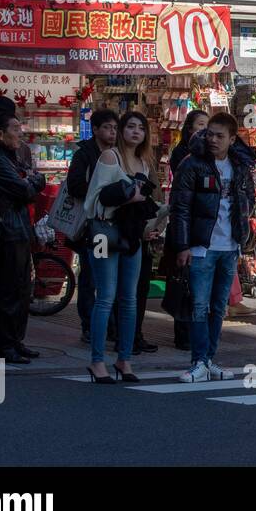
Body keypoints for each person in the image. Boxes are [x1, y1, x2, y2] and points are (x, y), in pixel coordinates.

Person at [170, 113, 256, 382]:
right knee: (198, 305)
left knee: (219, 307)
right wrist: (183, 245)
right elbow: (180, 207)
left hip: (229, 247)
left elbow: (248, 199)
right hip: (200, 247)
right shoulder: (192, 164)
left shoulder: (239, 165)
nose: (213, 140)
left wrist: (241, 237)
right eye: (210, 134)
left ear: (232, 139)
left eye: (220, 136)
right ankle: (198, 360)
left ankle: (209, 359)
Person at [83, 112, 155, 384]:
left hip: (131, 235)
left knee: (129, 298)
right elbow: (93, 202)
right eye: (131, 127)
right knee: (106, 296)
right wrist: (128, 198)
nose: (136, 132)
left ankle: (124, 359)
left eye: (141, 128)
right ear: (121, 131)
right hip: (103, 233)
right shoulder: (110, 158)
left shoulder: (144, 163)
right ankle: (97, 360)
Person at [0, 111, 46, 364]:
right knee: (8, 289)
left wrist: (31, 181)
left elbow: (36, 179)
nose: (20, 133)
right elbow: (26, 189)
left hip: (20, 229)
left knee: (21, 289)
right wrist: (30, 183)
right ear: (0, 134)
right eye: (16, 128)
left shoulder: (13, 158)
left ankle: (16, 341)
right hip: (7, 231)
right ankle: (4, 344)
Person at [66, 109, 120, 344]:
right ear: (96, 129)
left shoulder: (120, 153)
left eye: (115, 128)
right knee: (92, 274)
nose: (112, 132)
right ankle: (89, 323)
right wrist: (101, 191)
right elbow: (74, 184)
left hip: (115, 224)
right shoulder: (85, 154)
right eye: (107, 127)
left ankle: (111, 325)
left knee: (111, 276)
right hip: (92, 225)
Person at [164, 110, 210, 348]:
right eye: (200, 124)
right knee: (184, 283)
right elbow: (181, 201)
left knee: (201, 286)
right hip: (186, 227)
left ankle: (201, 333)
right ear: (189, 128)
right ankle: (183, 335)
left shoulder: (213, 155)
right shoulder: (183, 154)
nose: (205, 129)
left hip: (205, 229)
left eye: (208, 125)